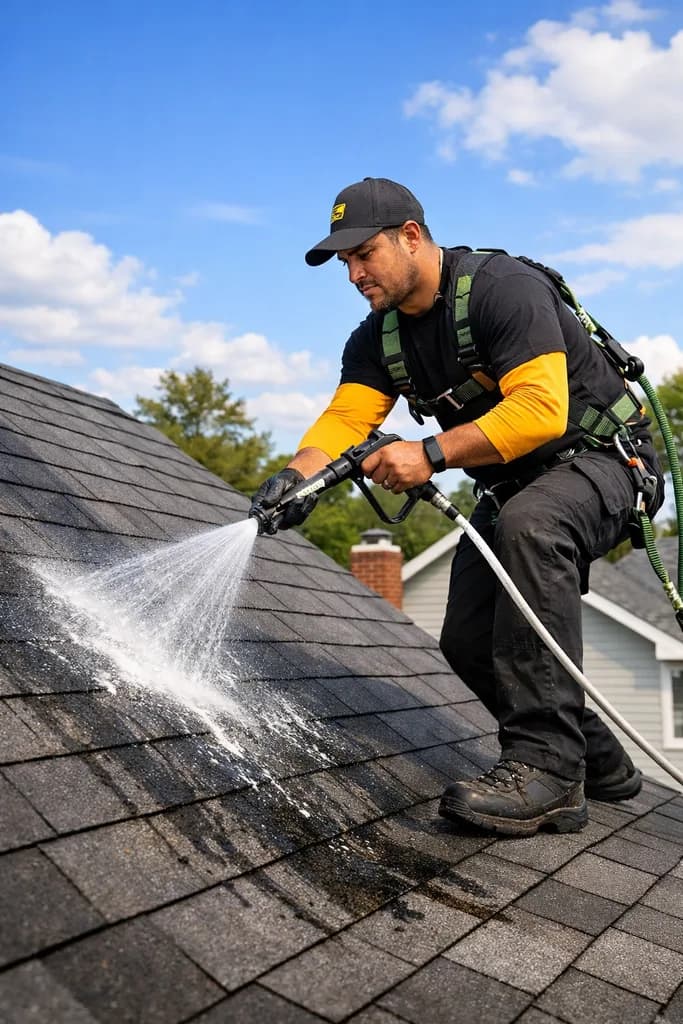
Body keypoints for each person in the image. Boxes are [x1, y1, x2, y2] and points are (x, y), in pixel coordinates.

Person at [250, 177, 664, 837]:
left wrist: (429, 454)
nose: (354, 273)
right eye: (344, 263)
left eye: (364, 254)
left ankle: (549, 773)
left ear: (410, 236)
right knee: (470, 642)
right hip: (515, 485)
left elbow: (539, 409)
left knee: (534, 525)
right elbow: (344, 420)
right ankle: (601, 763)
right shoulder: (378, 340)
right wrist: (295, 477)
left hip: (606, 460)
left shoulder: (504, 288)